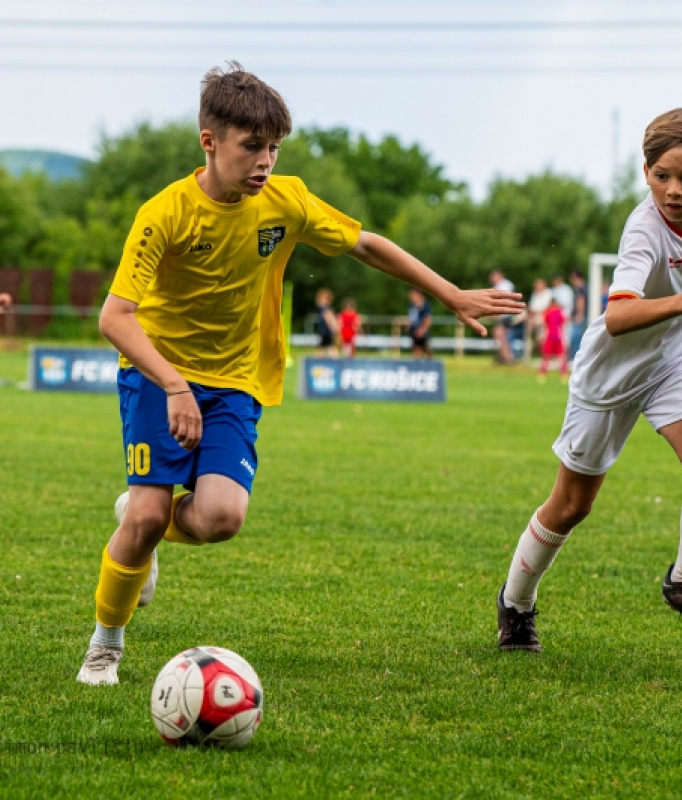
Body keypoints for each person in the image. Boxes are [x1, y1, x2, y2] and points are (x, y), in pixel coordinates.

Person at [76, 61, 524, 686]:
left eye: (273, 148)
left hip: (235, 379)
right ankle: (105, 649)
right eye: (251, 147)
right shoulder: (164, 213)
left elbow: (366, 244)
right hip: (158, 373)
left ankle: (137, 521)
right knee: (151, 517)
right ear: (209, 142)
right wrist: (175, 385)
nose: (264, 161)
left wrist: (449, 293)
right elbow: (116, 318)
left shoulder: (286, 200)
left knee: (220, 519)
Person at [496, 107, 682, 653]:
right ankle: (515, 605)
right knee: (571, 505)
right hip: (613, 372)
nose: (674, 191)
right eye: (662, 176)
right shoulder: (644, 230)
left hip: (679, 360)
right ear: (645, 171)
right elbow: (616, 316)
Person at [538, 296, 568, 382]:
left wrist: (541, 336)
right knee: (561, 356)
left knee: (546, 356)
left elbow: (544, 324)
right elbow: (564, 323)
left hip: (549, 336)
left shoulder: (547, 312)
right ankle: (564, 375)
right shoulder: (560, 312)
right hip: (558, 336)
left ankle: (542, 374)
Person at [489, 269, 516, 364]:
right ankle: (504, 356)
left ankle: (508, 357)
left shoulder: (504, 285)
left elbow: (506, 300)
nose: (491, 278)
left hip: (505, 315)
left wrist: (498, 313)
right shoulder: (501, 285)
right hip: (503, 314)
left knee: (502, 336)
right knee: (500, 336)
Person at [525, 277, 552, 361]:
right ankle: (528, 356)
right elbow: (531, 308)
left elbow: (547, 309)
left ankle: (545, 357)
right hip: (535, 319)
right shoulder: (535, 294)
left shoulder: (548, 294)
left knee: (542, 338)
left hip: (546, 320)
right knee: (529, 333)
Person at [407, 287, 433, 358]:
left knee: (424, 347)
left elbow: (428, 318)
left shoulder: (424, 305)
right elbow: (412, 317)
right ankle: (417, 364)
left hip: (420, 329)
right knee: (415, 348)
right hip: (413, 329)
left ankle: (431, 363)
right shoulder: (412, 305)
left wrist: (423, 329)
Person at [568, 269, 588, 360]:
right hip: (585, 316)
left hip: (580, 317)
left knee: (575, 338)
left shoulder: (580, 288)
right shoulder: (586, 286)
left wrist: (579, 315)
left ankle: (575, 359)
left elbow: (581, 301)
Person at [314, 287, 339, 356]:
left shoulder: (324, 308)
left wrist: (333, 327)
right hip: (324, 330)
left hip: (326, 330)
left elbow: (328, 318)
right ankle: (332, 358)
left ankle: (320, 360)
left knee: (328, 346)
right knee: (327, 346)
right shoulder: (325, 307)